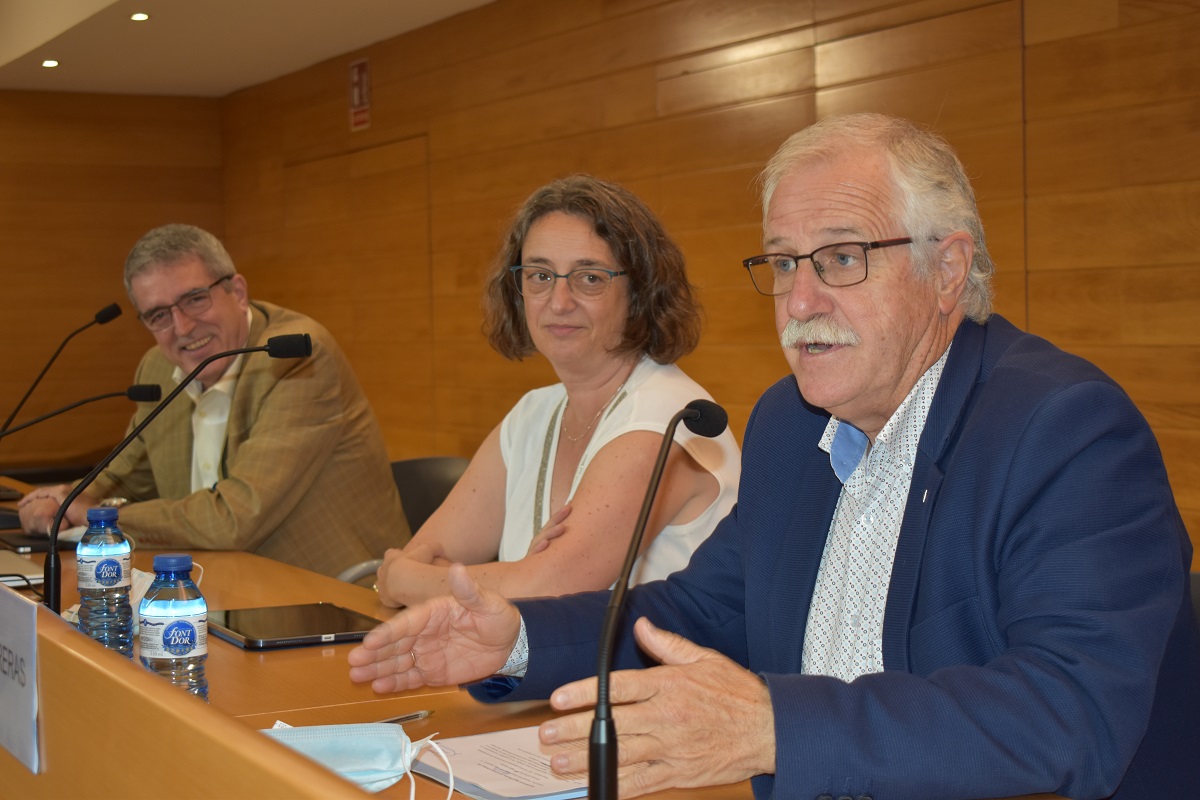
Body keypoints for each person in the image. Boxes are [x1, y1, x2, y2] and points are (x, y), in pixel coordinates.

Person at [348, 114, 1199, 799]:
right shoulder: (793, 426)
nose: (799, 300)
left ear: (948, 270)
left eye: (841, 258)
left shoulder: (1062, 428)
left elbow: (1070, 712)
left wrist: (775, 728)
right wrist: (519, 641)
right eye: (785, 262)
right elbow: (705, 615)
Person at [373, 175, 740, 607]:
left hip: (653, 671)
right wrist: (514, 578)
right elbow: (429, 552)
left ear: (639, 291)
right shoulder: (534, 412)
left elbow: (549, 591)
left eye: (589, 277)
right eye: (540, 275)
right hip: (535, 670)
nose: (559, 301)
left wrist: (406, 581)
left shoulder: (668, 416)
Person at [18, 224, 408, 578]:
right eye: (159, 316)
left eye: (195, 299)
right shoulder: (158, 368)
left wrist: (98, 516)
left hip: (323, 605)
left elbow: (236, 518)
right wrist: (60, 502)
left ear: (237, 292)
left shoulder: (294, 357)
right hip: (205, 591)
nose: (183, 328)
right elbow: (121, 476)